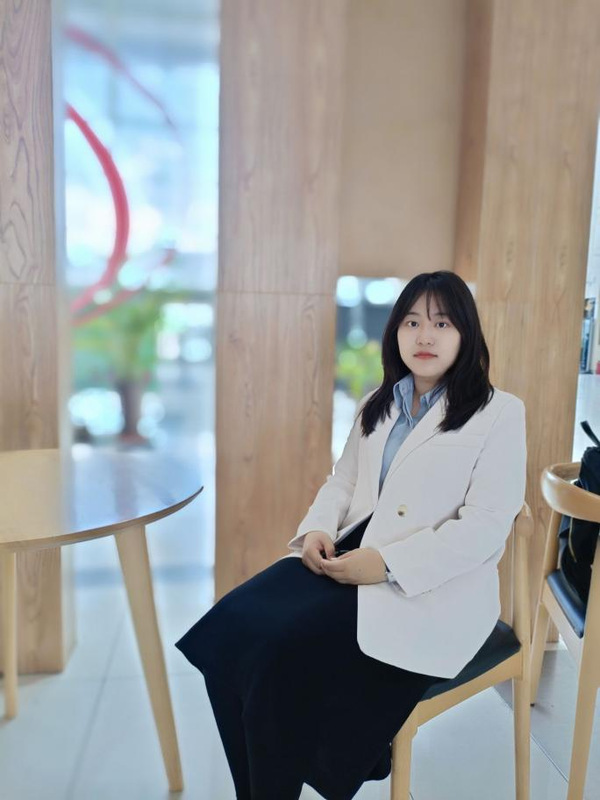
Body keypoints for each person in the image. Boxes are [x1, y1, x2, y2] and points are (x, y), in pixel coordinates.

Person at [176, 270, 527, 800]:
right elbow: (342, 480)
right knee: (230, 628)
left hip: (432, 585)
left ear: (466, 334)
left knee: (279, 657)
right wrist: (318, 528)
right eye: (412, 322)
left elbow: (486, 526)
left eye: (441, 323)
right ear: (395, 332)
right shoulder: (377, 403)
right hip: (350, 552)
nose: (425, 336)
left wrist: (386, 565)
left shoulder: (499, 412)